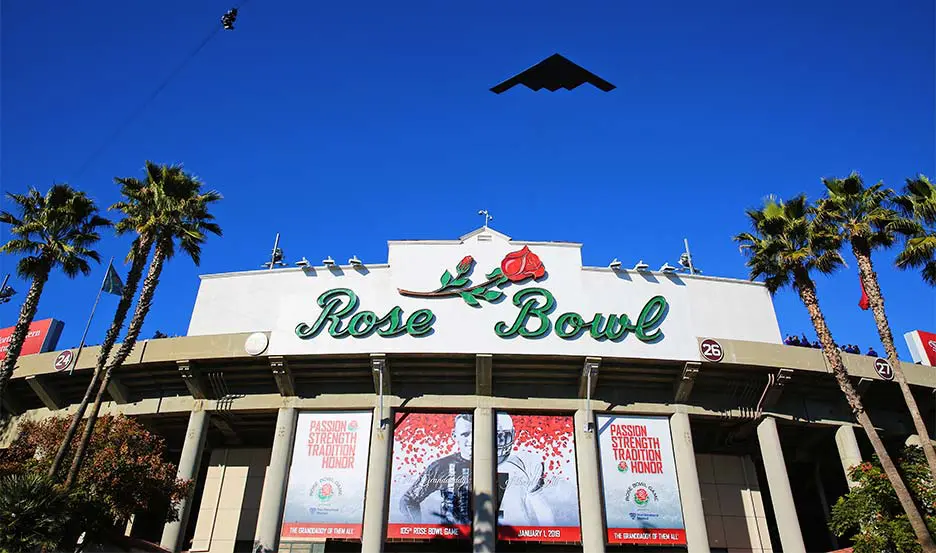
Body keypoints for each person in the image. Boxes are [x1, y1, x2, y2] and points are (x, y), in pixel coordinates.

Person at [399, 414, 472, 526]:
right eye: (465, 434)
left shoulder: (503, 464)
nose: (471, 439)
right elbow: (408, 500)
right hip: (451, 538)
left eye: (476, 434)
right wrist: (417, 531)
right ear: (454, 435)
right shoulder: (440, 466)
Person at [495, 413, 555, 526]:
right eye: (496, 436)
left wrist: (551, 532)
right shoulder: (467, 462)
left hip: (519, 531)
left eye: (504, 436)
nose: (500, 441)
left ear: (512, 434)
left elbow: (540, 506)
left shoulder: (524, 463)